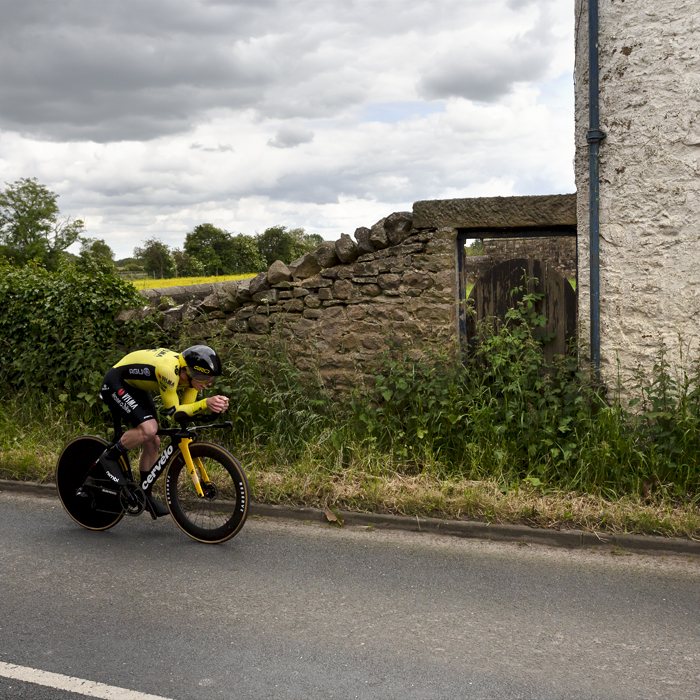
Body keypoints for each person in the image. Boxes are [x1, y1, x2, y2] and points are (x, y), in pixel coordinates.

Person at [96, 345, 229, 517]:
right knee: (149, 429)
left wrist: (212, 408)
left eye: (211, 378)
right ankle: (110, 456)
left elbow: (186, 412)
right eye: (204, 377)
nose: (208, 383)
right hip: (116, 382)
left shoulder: (191, 381)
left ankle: (144, 494)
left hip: (136, 386)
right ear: (187, 372)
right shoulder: (168, 371)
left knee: (153, 440)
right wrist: (205, 404)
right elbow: (175, 413)